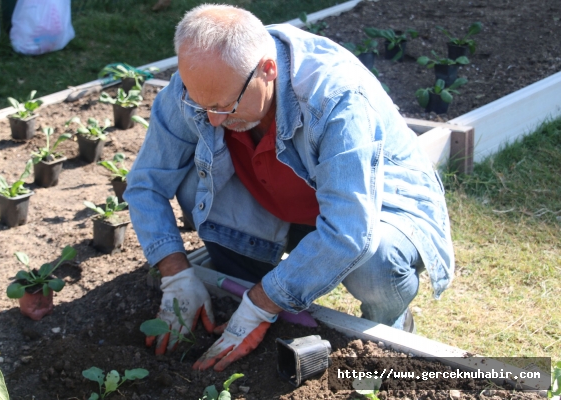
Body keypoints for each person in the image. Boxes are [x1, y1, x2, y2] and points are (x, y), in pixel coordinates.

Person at [124, 4, 455, 372]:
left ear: (268, 70)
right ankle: (243, 280)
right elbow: (146, 184)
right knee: (190, 182)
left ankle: (390, 328)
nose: (214, 119)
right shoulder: (200, 87)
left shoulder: (335, 96)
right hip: (279, 200)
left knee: (375, 264)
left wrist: (264, 302)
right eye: (203, 106)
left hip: (379, 206)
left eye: (225, 106)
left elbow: (349, 230)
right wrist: (175, 273)